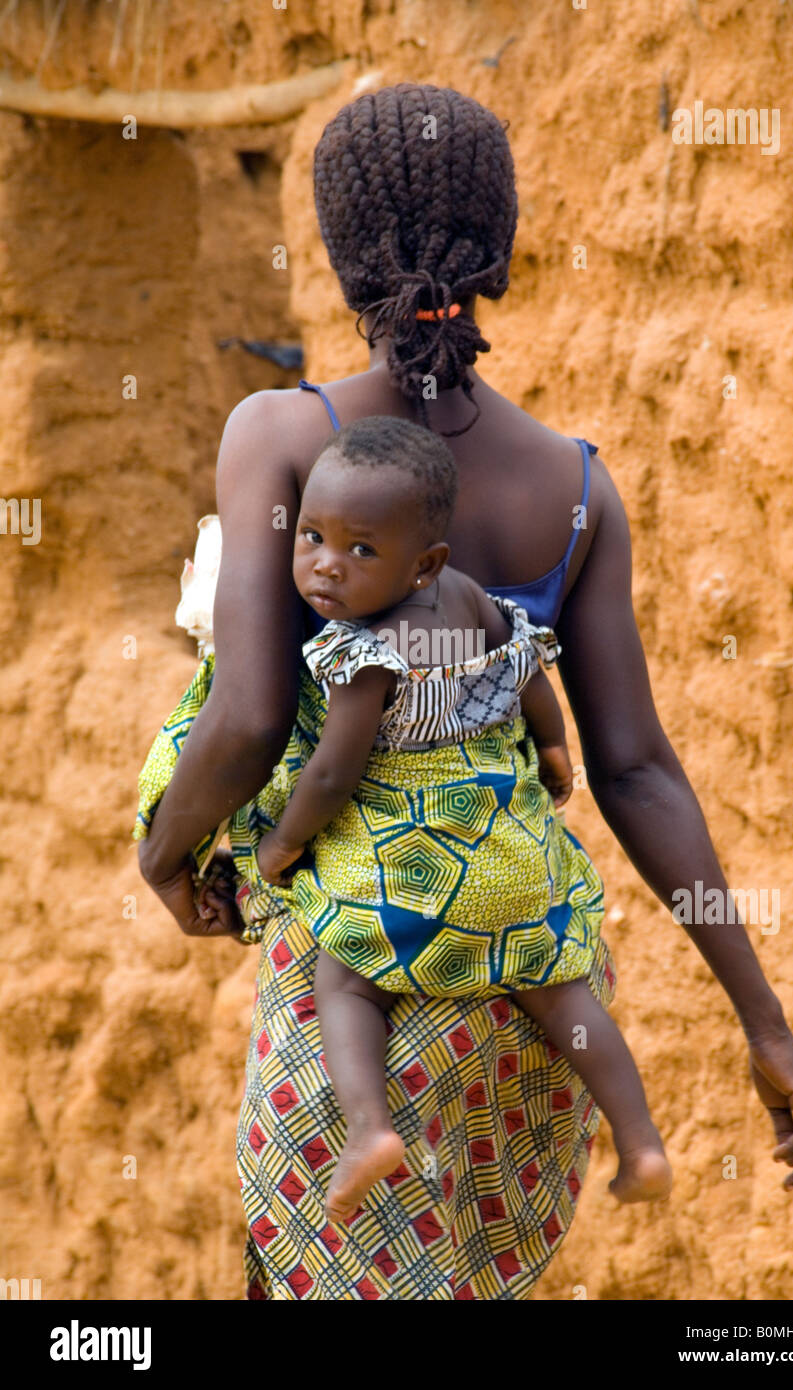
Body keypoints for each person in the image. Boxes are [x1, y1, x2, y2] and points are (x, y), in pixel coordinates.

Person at [136, 82, 793, 1301]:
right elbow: (632, 771)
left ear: (341, 248)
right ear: (497, 245)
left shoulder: (282, 434)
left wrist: (165, 852)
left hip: (363, 966)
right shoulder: (574, 486)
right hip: (524, 994)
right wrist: (763, 1024)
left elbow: (249, 716)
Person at [222, 414, 670, 1223]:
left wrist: (285, 841)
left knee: (345, 978)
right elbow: (532, 669)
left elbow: (331, 772)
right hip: (512, 858)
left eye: (361, 550)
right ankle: (639, 1141)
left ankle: (368, 1131)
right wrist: (556, 750)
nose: (327, 566)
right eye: (313, 536)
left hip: (418, 867)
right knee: (563, 996)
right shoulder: (473, 599)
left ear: (421, 561)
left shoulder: (366, 655)